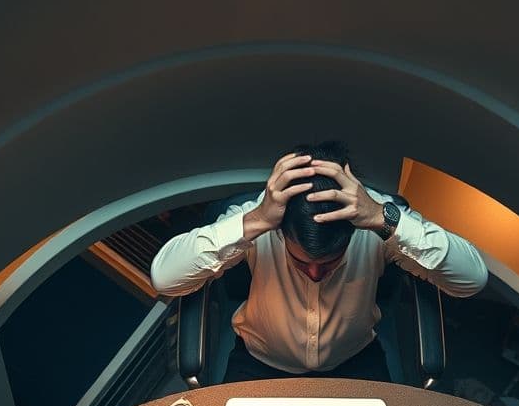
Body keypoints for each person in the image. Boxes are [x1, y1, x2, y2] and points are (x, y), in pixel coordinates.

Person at [150, 140, 488, 382]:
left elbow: (472, 279)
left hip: (355, 361)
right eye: (301, 262)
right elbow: (164, 278)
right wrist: (256, 220)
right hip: (259, 363)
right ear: (281, 233)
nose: (314, 274)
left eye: (328, 264)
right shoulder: (262, 221)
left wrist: (384, 219)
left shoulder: (376, 223)